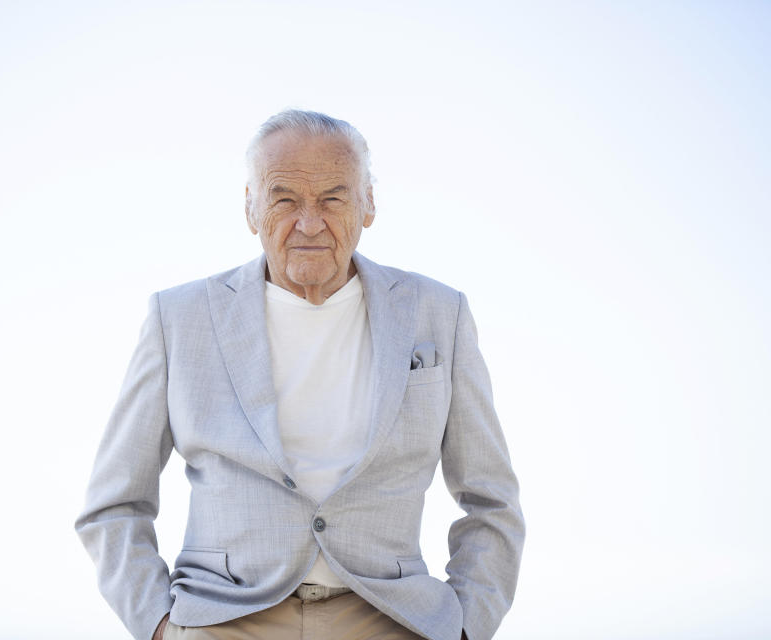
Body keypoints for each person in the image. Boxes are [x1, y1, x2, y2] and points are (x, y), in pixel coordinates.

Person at [74, 109, 524, 640]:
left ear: (369, 204)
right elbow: (114, 502)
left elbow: (491, 499)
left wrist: (467, 626)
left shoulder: (438, 313)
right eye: (285, 199)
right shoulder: (180, 318)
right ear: (250, 208)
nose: (309, 222)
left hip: (391, 615)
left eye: (333, 197)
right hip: (223, 616)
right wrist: (159, 626)